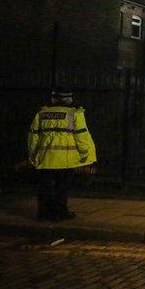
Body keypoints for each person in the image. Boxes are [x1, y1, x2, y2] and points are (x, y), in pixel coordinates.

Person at [27, 88, 96, 221]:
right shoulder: (74, 114)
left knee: (44, 186)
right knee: (62, 187)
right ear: (69, 98)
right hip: (65, 159)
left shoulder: (42, 113)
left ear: (53, 98)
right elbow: (81, 136)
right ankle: (60, 213)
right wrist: (84, 154)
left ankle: (43, 213)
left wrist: (32, 155)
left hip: (45, 158)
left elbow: (33, 137)